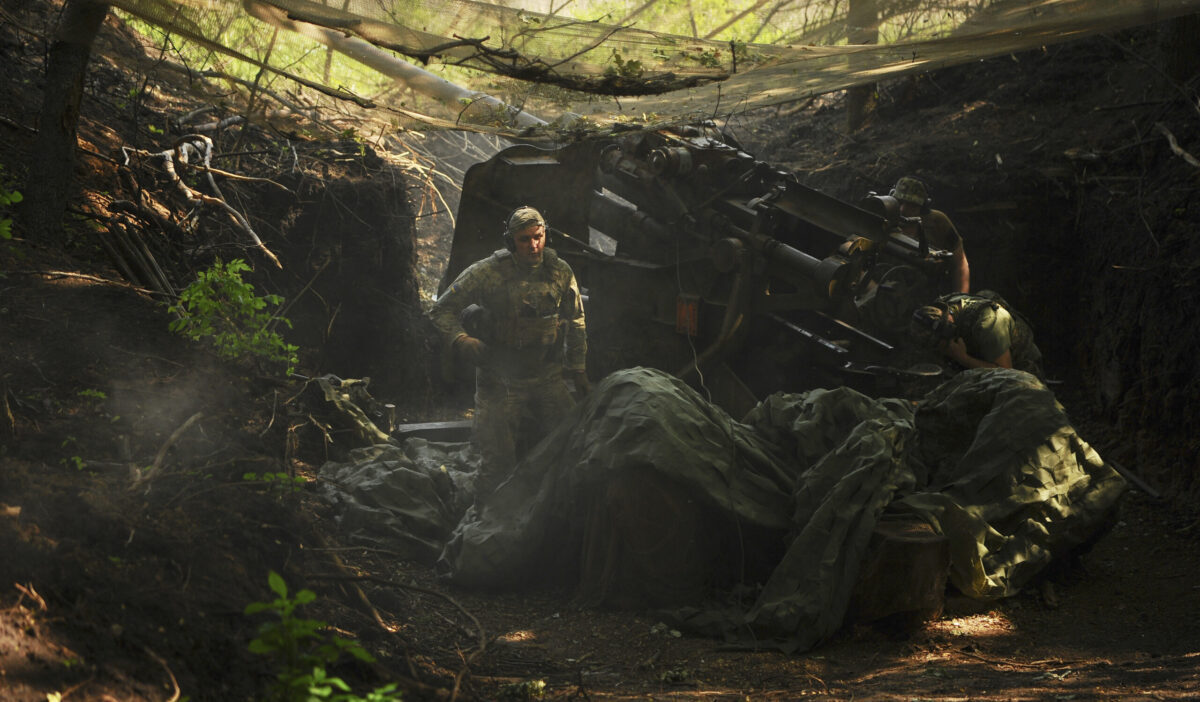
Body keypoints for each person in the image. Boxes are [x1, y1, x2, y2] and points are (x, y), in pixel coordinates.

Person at [429, 206, 589, 497]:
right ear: (511, 242)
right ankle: (472, 507)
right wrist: (461, 340)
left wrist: (578, 370)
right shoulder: (488, 272)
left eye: (538, 237)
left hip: (546, 377)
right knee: (497, 469)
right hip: (500, 380)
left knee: (573, 446)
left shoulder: (560, 271)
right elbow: (440, 310)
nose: (533, 245)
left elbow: (576, 320)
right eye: (524, 239)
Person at [909, 291, 1043, 379]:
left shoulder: (989, 322)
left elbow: (1006, 373)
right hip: (982, 358)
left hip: (1020, 368)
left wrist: (962, 358)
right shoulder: (943, 307)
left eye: (939, 345)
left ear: (948, 328)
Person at [892, 176, 970, 294]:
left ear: (923, 207)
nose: (903, 209)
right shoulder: (882, 220)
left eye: (912, 205)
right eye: (899, 202)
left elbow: (960, 263)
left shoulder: (938, 222)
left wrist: (960, 297)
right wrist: (874, 289)